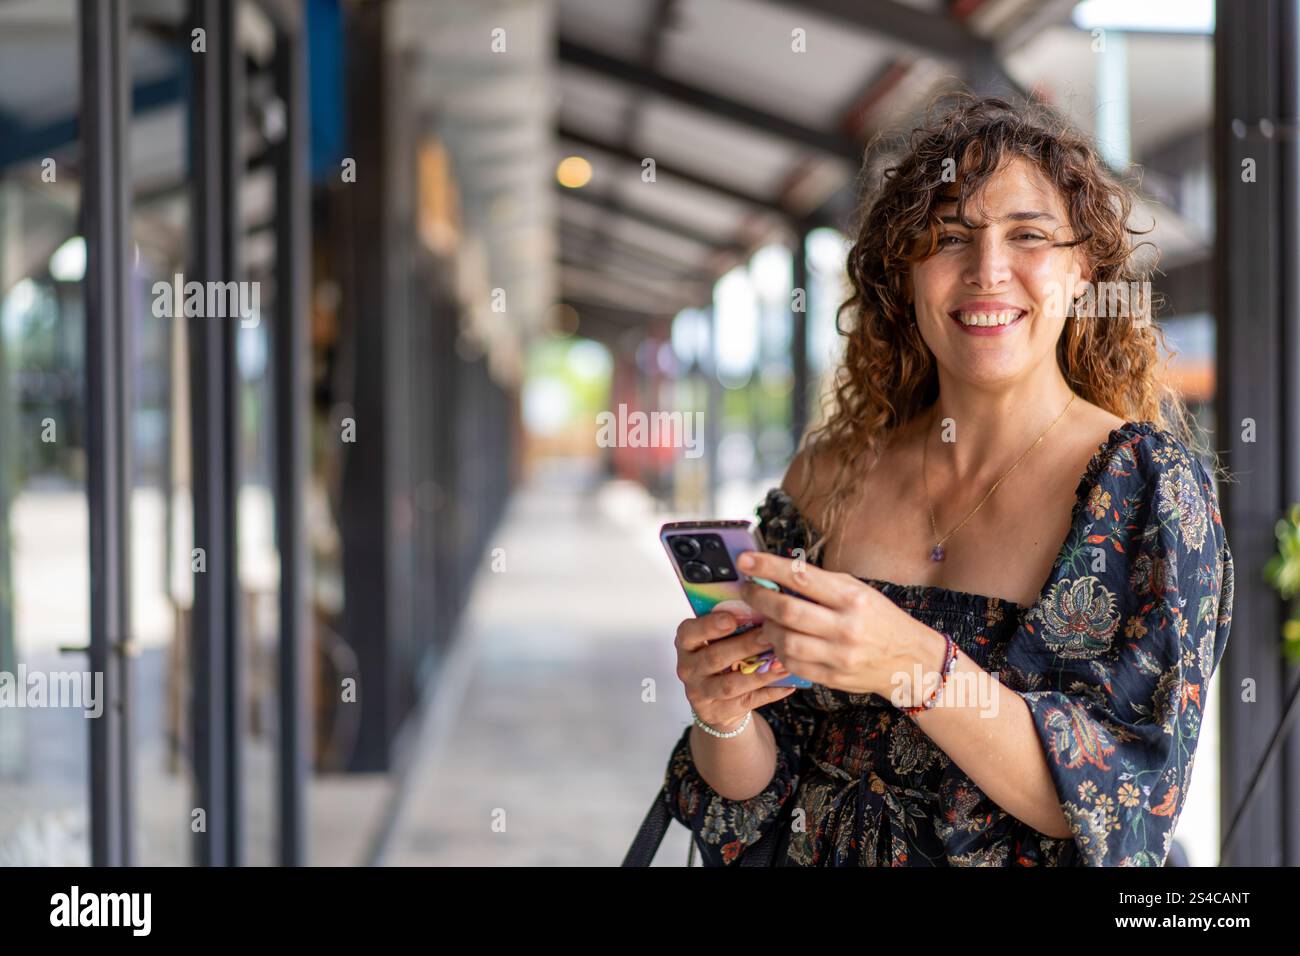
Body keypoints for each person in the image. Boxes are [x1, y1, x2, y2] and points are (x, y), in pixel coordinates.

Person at [662, 94, 1234, 866]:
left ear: (1081, 270)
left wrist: (910, 663)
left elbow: (1120, 800)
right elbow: (757, 791)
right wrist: (722, 713)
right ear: (906, 272)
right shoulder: (829, 473)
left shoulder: (1142, 491)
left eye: (1028, 236)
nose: (988, 272)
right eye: (951, 236)